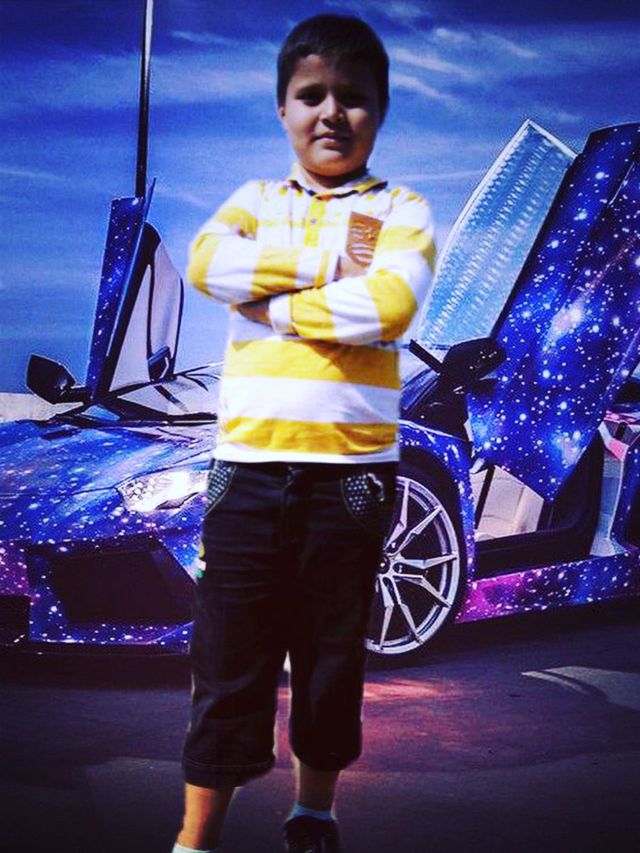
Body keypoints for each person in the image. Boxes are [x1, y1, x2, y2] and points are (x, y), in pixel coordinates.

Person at [173, 13, 435, 853]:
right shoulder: (252, 201)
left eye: (353, 97)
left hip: (350, 477)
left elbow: (388, 305)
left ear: (380, 110)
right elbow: (207, 263)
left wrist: (271, 306)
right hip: (247, 469)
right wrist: (329, 271)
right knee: (226, 657)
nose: (332, 112)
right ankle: (194, 839)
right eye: (311, 94)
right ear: (282, 108)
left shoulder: (400, 209)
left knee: (330, 658)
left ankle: (313, 815)